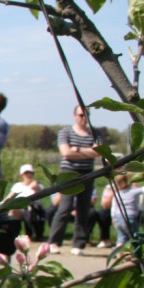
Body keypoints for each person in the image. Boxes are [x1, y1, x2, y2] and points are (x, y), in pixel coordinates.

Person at [48, 105, 103, 255]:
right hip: (69, 172)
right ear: (74, 116)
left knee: (83, 209)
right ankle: (53, 242)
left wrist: (77, 150)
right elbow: (66, 152)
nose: (83, 118)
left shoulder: (95, 132)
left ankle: (79, 244)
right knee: (64, 208)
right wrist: (88, 152)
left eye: (86, 115)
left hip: (87, 173)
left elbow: (99, 152)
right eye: (80, 115)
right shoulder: (66, 132)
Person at [100, 173, 144, 247]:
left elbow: (114, 207)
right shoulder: (133, 191)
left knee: (121, 238)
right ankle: (133, 254)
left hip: (118, 218)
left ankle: (119, 253)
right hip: (130, 218)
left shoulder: (117, 193)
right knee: (134, 237)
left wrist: (113, 218)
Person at [5, 164, 47, 238]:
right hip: (19, 208)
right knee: (13, 211)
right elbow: (10, 196)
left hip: (32, 208)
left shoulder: (37, 185)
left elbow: (39, 192)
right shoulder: (17, 186)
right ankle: (13, 233)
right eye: (26, 173)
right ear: (22, 175)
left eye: (31, 173)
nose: (29, 175)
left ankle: (30, 234)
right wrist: (3, 203)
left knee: (29, 210)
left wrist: (33, 186)